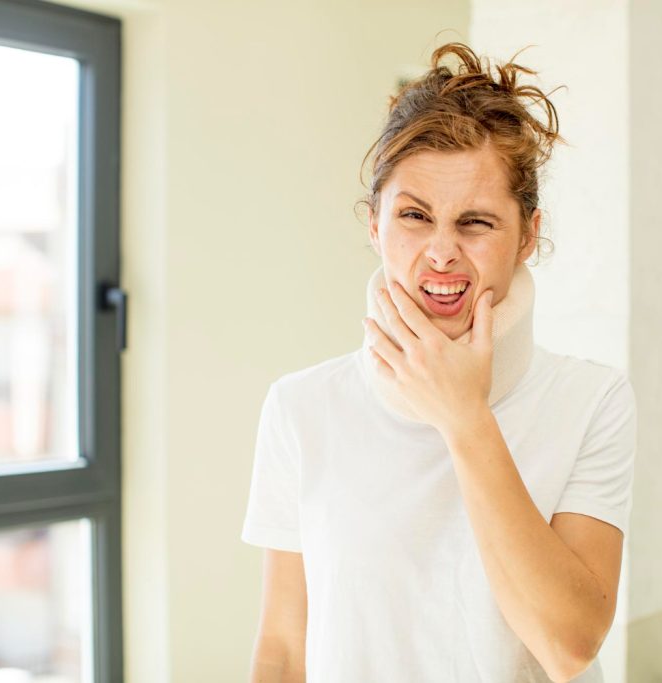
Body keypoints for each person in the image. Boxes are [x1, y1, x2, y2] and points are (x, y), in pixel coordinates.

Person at [241, 41, 637, 683]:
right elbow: (284, 649)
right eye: (415, 217)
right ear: (374, 224)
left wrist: (463, 417)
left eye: (476, 222)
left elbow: (569, 646)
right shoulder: (301, 406)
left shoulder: (591, 401)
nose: (442, 254)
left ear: (528, 235)